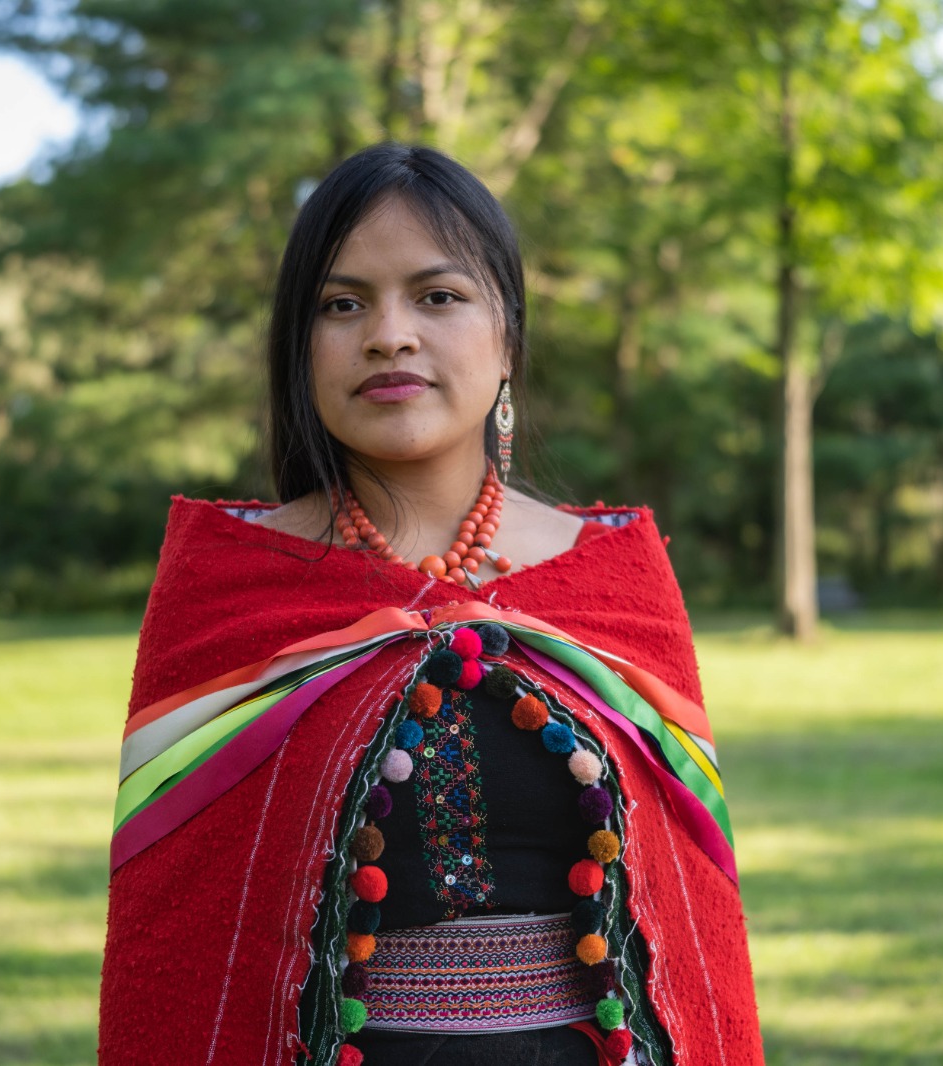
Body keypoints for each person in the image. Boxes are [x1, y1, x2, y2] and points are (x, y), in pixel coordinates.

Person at [98, 143, 762, 1066]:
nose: (389, 334)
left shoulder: (609, 573)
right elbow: (173, 943)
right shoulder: (233, 576)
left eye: (438, 296)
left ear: (508, 338)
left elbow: (695, 929)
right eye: (342, 304)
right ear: (302, 348)